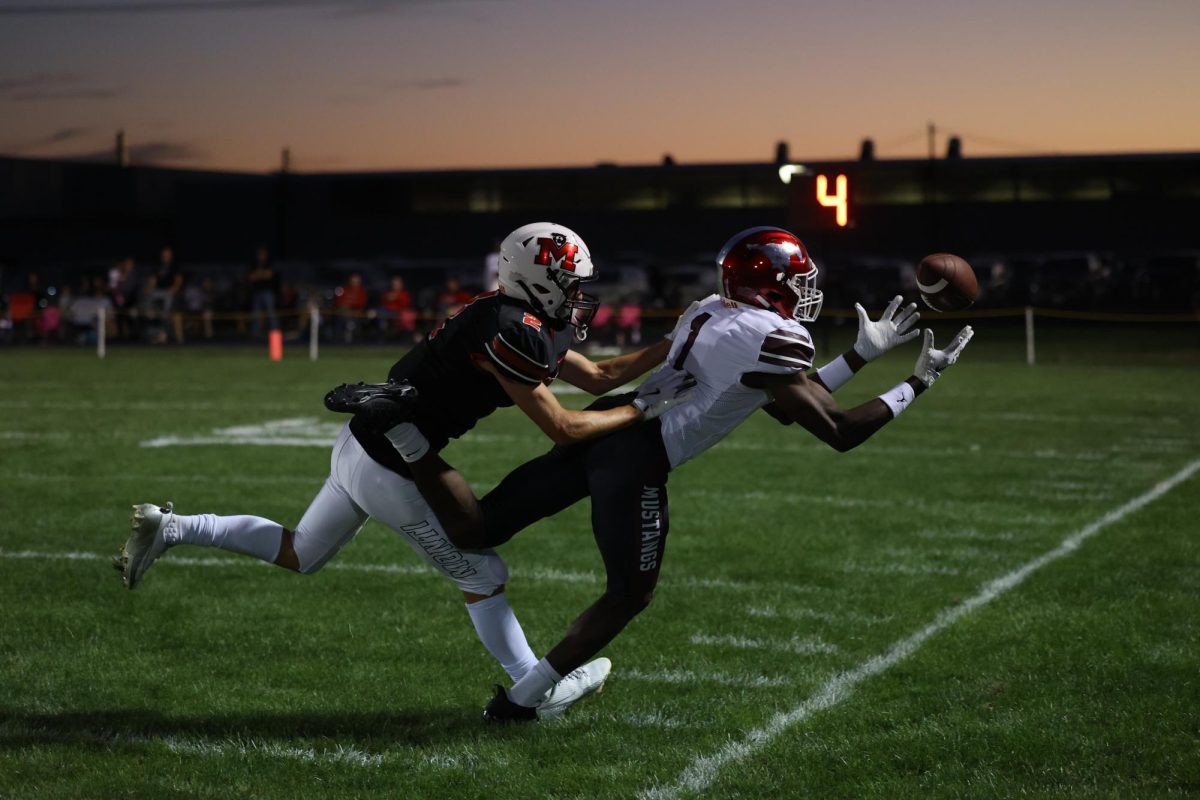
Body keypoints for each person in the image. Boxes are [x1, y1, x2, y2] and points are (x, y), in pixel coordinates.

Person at [364, 226, 974, 722]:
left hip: (611, 429)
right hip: (638, 459)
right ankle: (522, 703)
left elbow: (787, 403)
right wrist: (919, 381)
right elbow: (835, 430)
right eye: (797, 276)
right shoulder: (772, 336)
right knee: (630, 594)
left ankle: (409, 439)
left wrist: (864, 354)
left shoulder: (711, 309)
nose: (806, 285)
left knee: (480, 528)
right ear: (773, 285)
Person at [116, 222, 688, 719]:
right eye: (571, 283)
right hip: (392, 462)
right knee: (481, 574)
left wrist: (674, 340)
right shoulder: (512, 328)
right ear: (538, 280)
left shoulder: (514, 315)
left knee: (301, 552)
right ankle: (536, 688)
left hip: (362, 443)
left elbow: (599, 375)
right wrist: (639, 409)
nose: (579, 294)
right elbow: (563, 427)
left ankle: (171, 528)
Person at [247, 246, 279, 336]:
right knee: (256, 313)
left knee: (271, 312)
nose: (261, 256)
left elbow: (269, 275)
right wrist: (261, 274)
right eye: (260, 254)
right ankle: (255, 333)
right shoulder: (254, 264)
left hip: (268, 292)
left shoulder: (269, 263)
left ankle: (275, 332)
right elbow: (250, 277)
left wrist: (258, 274)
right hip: (257, 292)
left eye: (263, 254)